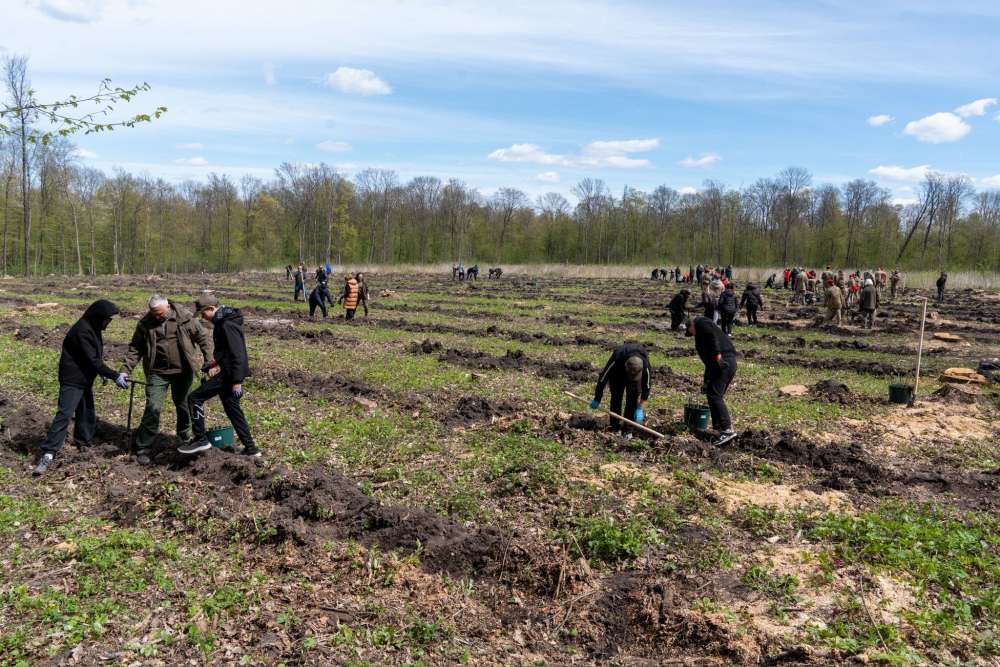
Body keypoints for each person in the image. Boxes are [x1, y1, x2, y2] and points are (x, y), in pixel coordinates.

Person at [33, 300, 128, 475]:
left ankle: (83, 443)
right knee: (65, 414)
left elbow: (92, 357)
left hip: (84, 378)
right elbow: (92, 359)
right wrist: (113, 375)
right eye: (107, 319)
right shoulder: (82, 331)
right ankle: (48, 453)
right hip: (72, 379)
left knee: (86, 411)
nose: (109, 323)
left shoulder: (93, 327)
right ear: (98, 317)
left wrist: (99, 371)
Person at [120, 295, 213, 464]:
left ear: (168, 307)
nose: (156, 317)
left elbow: (203, 337)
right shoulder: (145, 323)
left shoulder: (184, 318)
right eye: (153, 314)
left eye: (159, 314)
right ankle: (144, 446)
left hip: (182, 371)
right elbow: (135, 348)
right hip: (157, 372)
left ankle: (184, 438)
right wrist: (125, 370)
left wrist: (210, 360)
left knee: (184, 405)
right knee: (153, 407)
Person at [179, 294, 260, 457]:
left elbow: (237, 353)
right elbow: (228, 351)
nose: (202, 317)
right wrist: (213, 364)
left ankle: (201, 439)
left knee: (194, 398)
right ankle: (251, 448)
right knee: (233, 410)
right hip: (229, 372)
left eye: (203, 313)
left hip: (230, 376)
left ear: (211, 308)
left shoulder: (227, 324)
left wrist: (237, 381)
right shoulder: (225, 321)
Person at [685, 316, 737, 446]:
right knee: (712, 395)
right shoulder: (700, 337)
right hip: (721, 365)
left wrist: (718, 356)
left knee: (715, 396)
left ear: (691, 326)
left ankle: (727, 430)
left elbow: (713, 336)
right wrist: (706, 381)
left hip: (724, 362)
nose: (691, 334)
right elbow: (709, 364)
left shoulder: (701, 323)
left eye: (690, 331)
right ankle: (718, 429)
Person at [590, 343, 651, 438]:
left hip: (635, 377)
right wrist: (597, 398)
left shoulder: (645, 364)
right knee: (616, 397)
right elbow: (603, 378)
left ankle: (628, 429)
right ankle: (615, 426)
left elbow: (646, 386)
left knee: (633, 398)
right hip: (618, 373)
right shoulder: (617, 358)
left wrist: (640, 407)